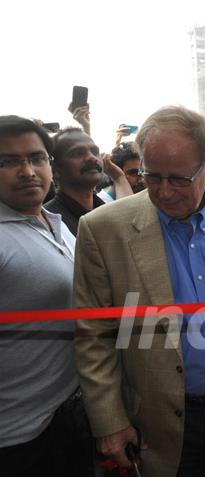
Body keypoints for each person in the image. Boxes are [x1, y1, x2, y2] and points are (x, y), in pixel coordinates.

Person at [73, 105, 205, 477]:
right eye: (151, 176)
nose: (163, 192)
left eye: (179, 179)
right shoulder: (103, 229)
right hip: (157, 426)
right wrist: (109, 422)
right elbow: (94, 336)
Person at [0, 115, 94, 477]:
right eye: (8, 162)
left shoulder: (54, 223)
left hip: (63, 420)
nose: (27, 171)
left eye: (36, 158)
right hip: (16, 440)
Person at [44, 128, 130, 235]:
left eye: (95, 152)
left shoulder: (107, 210)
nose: (92, 158)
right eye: (77, 153)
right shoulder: (49, 221)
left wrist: (119, 177)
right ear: (55, 169)